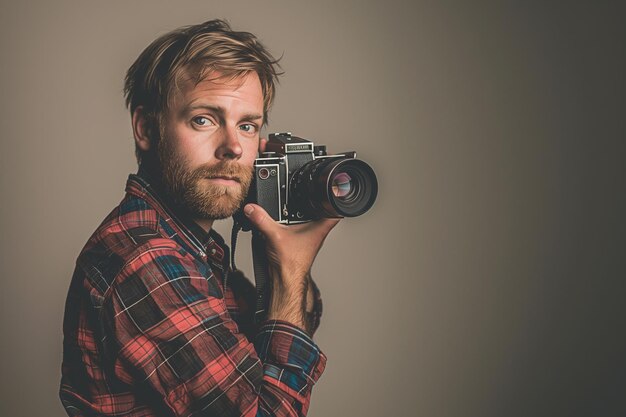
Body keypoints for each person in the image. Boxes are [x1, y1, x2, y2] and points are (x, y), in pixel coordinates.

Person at [60, 19, 339, 417]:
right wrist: (291, 272)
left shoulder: (192, 246)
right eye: (204, 119)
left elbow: (276, 334)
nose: (232, 148)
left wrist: (277, 251)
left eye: (247, 126)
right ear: (146, 128)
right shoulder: (148, 259)